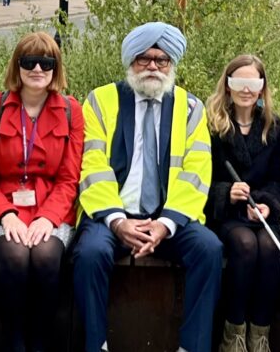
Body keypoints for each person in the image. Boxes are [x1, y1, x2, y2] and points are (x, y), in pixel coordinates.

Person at [73, 22, 221, 352]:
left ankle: (192, 347)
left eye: (162, 59)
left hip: (168, 219)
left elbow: (197, 173)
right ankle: (95, 345)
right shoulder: (100, 101)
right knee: (90, 253)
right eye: (144, 58)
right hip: (113, 216)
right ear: (130, 62)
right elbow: (92, 165)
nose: (153, 66)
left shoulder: (191, 108)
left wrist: (165, 225)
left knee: (209, 249)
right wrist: (118, 220)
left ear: (172, 65)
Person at [0, 32, 83, 351]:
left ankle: (40, 342)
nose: (38, 69)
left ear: (56, 67)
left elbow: (69, 177)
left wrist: (48, 219)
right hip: (1, 209)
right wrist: (5, 215)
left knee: (47, 255)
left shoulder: (70, 110)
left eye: (46, 62)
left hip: (52, 210)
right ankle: (14, 343)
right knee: (15, 254)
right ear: (17, 65)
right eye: (29, 61)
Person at [205, 55, 280, 352]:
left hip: (261, 212)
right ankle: (233, 332)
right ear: (228, 86)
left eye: (253, 83)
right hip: (227, 216)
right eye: (239, 82)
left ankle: (260, 334)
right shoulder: (212, 126)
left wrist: (266, 204)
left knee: (268, 245)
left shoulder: (274, 128)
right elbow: (202, 179)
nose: (246, 90)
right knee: (245, 244)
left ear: (262, 88)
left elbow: (279, 181)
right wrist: (226, 193)